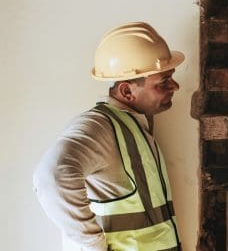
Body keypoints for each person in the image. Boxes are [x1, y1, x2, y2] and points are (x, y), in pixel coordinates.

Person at [34, 22, 185, 251]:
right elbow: (50, 176)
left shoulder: (134, 125)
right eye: (163, 81)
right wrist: (92, 244)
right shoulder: (99, 126)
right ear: (126, 91)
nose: (175, 86)